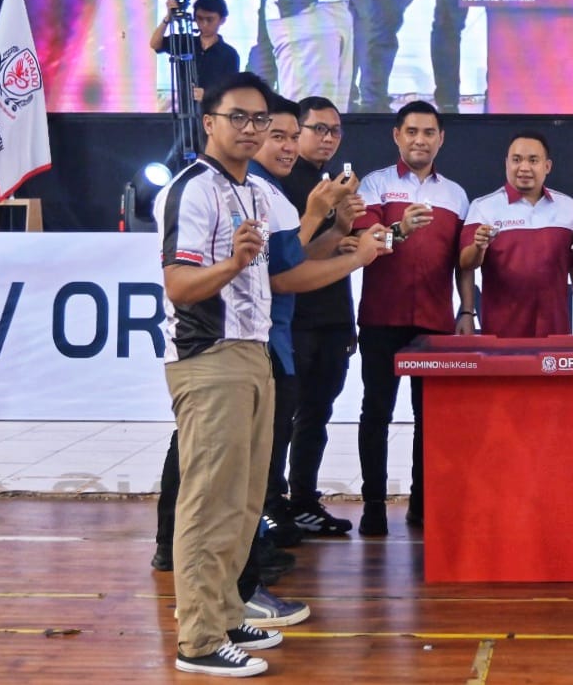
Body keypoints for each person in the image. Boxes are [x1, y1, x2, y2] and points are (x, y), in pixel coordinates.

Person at [154, 72, 390, 677]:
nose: (252, 129)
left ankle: (227, 612)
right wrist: (234, 263)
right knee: (209, 501)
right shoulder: (192, 190)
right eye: (239, 117)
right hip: (210, 355)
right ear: (209, 122)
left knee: (242, 500)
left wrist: (347, 242)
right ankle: (198, 641)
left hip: (255, 353)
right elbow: (178, 285)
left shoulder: (254, 193)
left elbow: (286, 269)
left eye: (260, 119)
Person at [352, 101, 473, 535]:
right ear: (397, 136)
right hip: (381, 317)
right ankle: (373, 505)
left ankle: (423, 503)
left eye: (429, 133)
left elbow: (463, 264)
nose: (420, 140)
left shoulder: (456, 195)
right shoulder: (375, 185)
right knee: (376, 412)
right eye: (412, 132)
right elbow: (364, 242)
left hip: (434, 322)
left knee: (432, 418)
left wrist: (466, 310)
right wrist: (400, 229)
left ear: (441, 139)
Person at [264, 95, 368, 540]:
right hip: (293, 321)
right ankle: (271, 507)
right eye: (316, 129)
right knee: (280, 419)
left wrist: (344, 230)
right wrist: (330, 226)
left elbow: (323, 252)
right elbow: (288, 259)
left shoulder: (332, 183)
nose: (326, 138)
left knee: (316, 416)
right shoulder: (277, 185)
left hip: (332, 318)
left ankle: (303, 500)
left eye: (334, 130)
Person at [459, 131, 573, 337]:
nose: (524, 167)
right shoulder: (483, 207)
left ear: (547, 166)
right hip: (501, 336)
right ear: (506, 164)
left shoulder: (568, 207)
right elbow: (466, 264)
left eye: (533, 160)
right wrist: (478, 247)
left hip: (556, 334)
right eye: (516, 160)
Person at [148, 0, 240, 103]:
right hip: (185, 109)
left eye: (210, 19)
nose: (204, 24)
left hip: (213, 110)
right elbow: (155, 44)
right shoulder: (185, 42)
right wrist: (168, 18)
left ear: (222, 20)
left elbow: (231, 91)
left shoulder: (229, 54)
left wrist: (207, 95)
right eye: (200, 19)